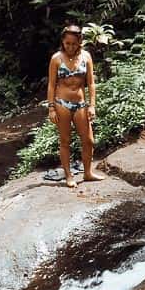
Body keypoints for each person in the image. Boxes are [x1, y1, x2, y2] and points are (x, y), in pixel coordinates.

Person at [47, 24, 105, 188]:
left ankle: (87, 173)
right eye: (67, 43)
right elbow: (51, 84)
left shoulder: (86, 57)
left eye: (74, 43)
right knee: (65, 141)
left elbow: (91, 83)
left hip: (80, 104)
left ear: (80, 42)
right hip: (62, 104)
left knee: (88, 140)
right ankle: (68, 175)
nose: (70, 47)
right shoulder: (56, 59)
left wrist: (92, 105)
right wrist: (51, 108)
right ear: (63, 42)